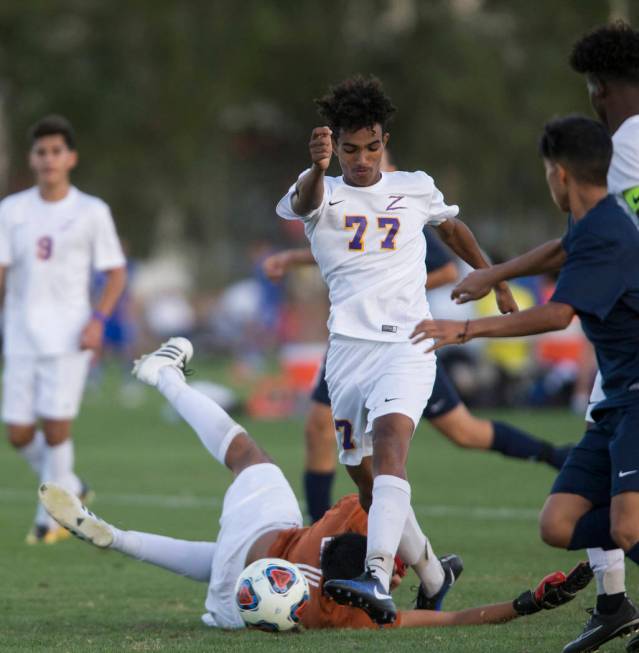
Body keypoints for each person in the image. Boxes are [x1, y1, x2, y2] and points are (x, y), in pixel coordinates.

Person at [39, 336, 593, 631]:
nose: (390, 575)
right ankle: (122, 537)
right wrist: (523, 605)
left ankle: (163, 375)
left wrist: (509, 598)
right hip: (233, 610)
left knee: (247, 454)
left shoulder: (345, 523)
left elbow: (432, 592)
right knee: (214, 562)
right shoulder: (344, 616)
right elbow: (448, 618)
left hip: (259, 548)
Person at [412, 115, 639, 653]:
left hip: (637, 398)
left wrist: (465, 329)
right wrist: (494, 274)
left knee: (627, 529)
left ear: (558, 174)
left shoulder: (608, 232)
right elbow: (559, 251)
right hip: (615, 401)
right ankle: (617, 607)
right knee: (559, 525)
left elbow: (558, 314)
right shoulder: (595, 221)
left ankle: (619, 600)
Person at [264, 230, 570, 524]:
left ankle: (554, 455)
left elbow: (446, 270)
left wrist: (390, 290)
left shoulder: (403, 202)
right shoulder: (347, 198)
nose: (363, 172)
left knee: (464, 431)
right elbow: (342, 254)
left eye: (379, 170)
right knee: (319, 427)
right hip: (351, 343)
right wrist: (292, 258)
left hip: (400, 345)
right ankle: (319, 530)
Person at [0, 115, 127, 544]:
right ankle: (68, 482)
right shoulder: (11, 210)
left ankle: (50, 518)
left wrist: (98, 321)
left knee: (56, 427)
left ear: (70, 158)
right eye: (41, 152)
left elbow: (115, 274)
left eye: (57, 151)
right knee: (17, 432)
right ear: (32, 159)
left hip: (70, 334)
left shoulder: (91, 211)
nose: (49, 159)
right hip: (19, 333)